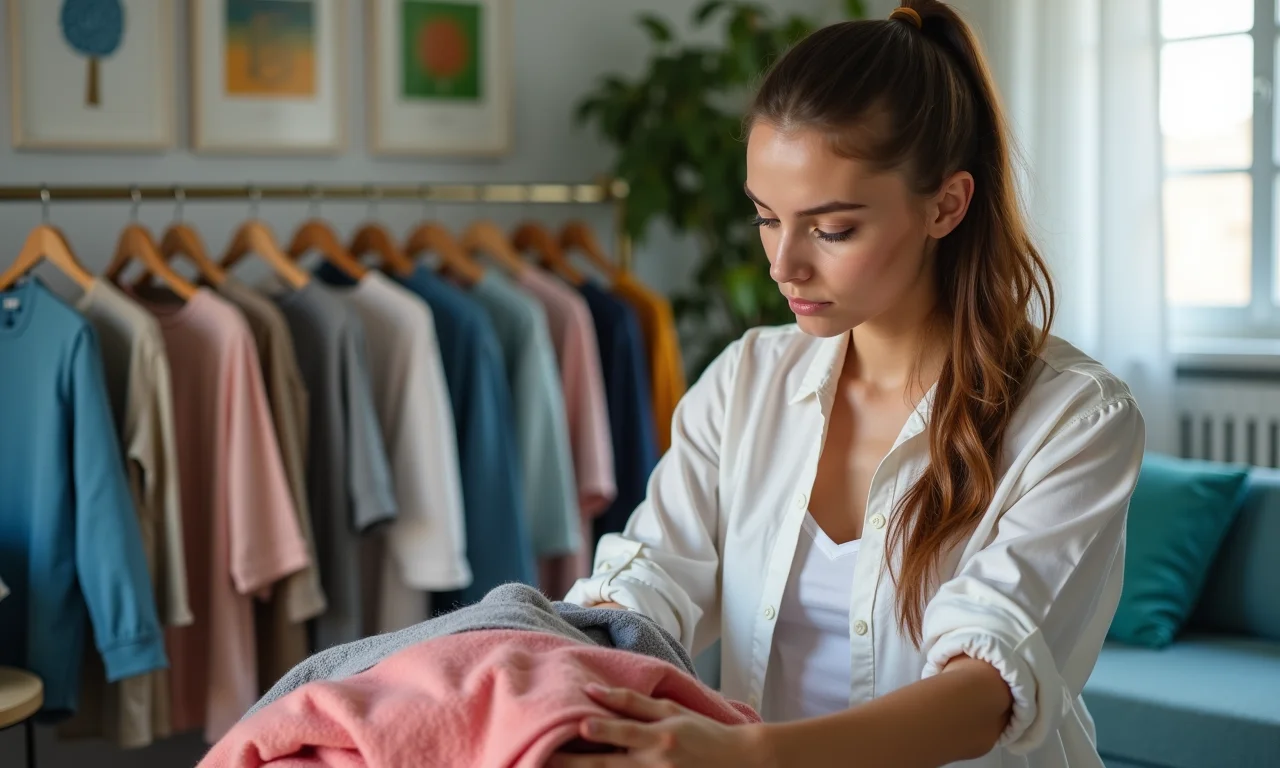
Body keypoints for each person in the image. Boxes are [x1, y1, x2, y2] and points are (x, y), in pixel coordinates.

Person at [552, 2, 1145, 767]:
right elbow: (653, 579)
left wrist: (754, 755)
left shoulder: (1075, 419)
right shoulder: (743, 383)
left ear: (947, 204)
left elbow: (988, 689)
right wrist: (547, 662)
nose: (783, 264)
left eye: (832, 230)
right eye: (766, 217)